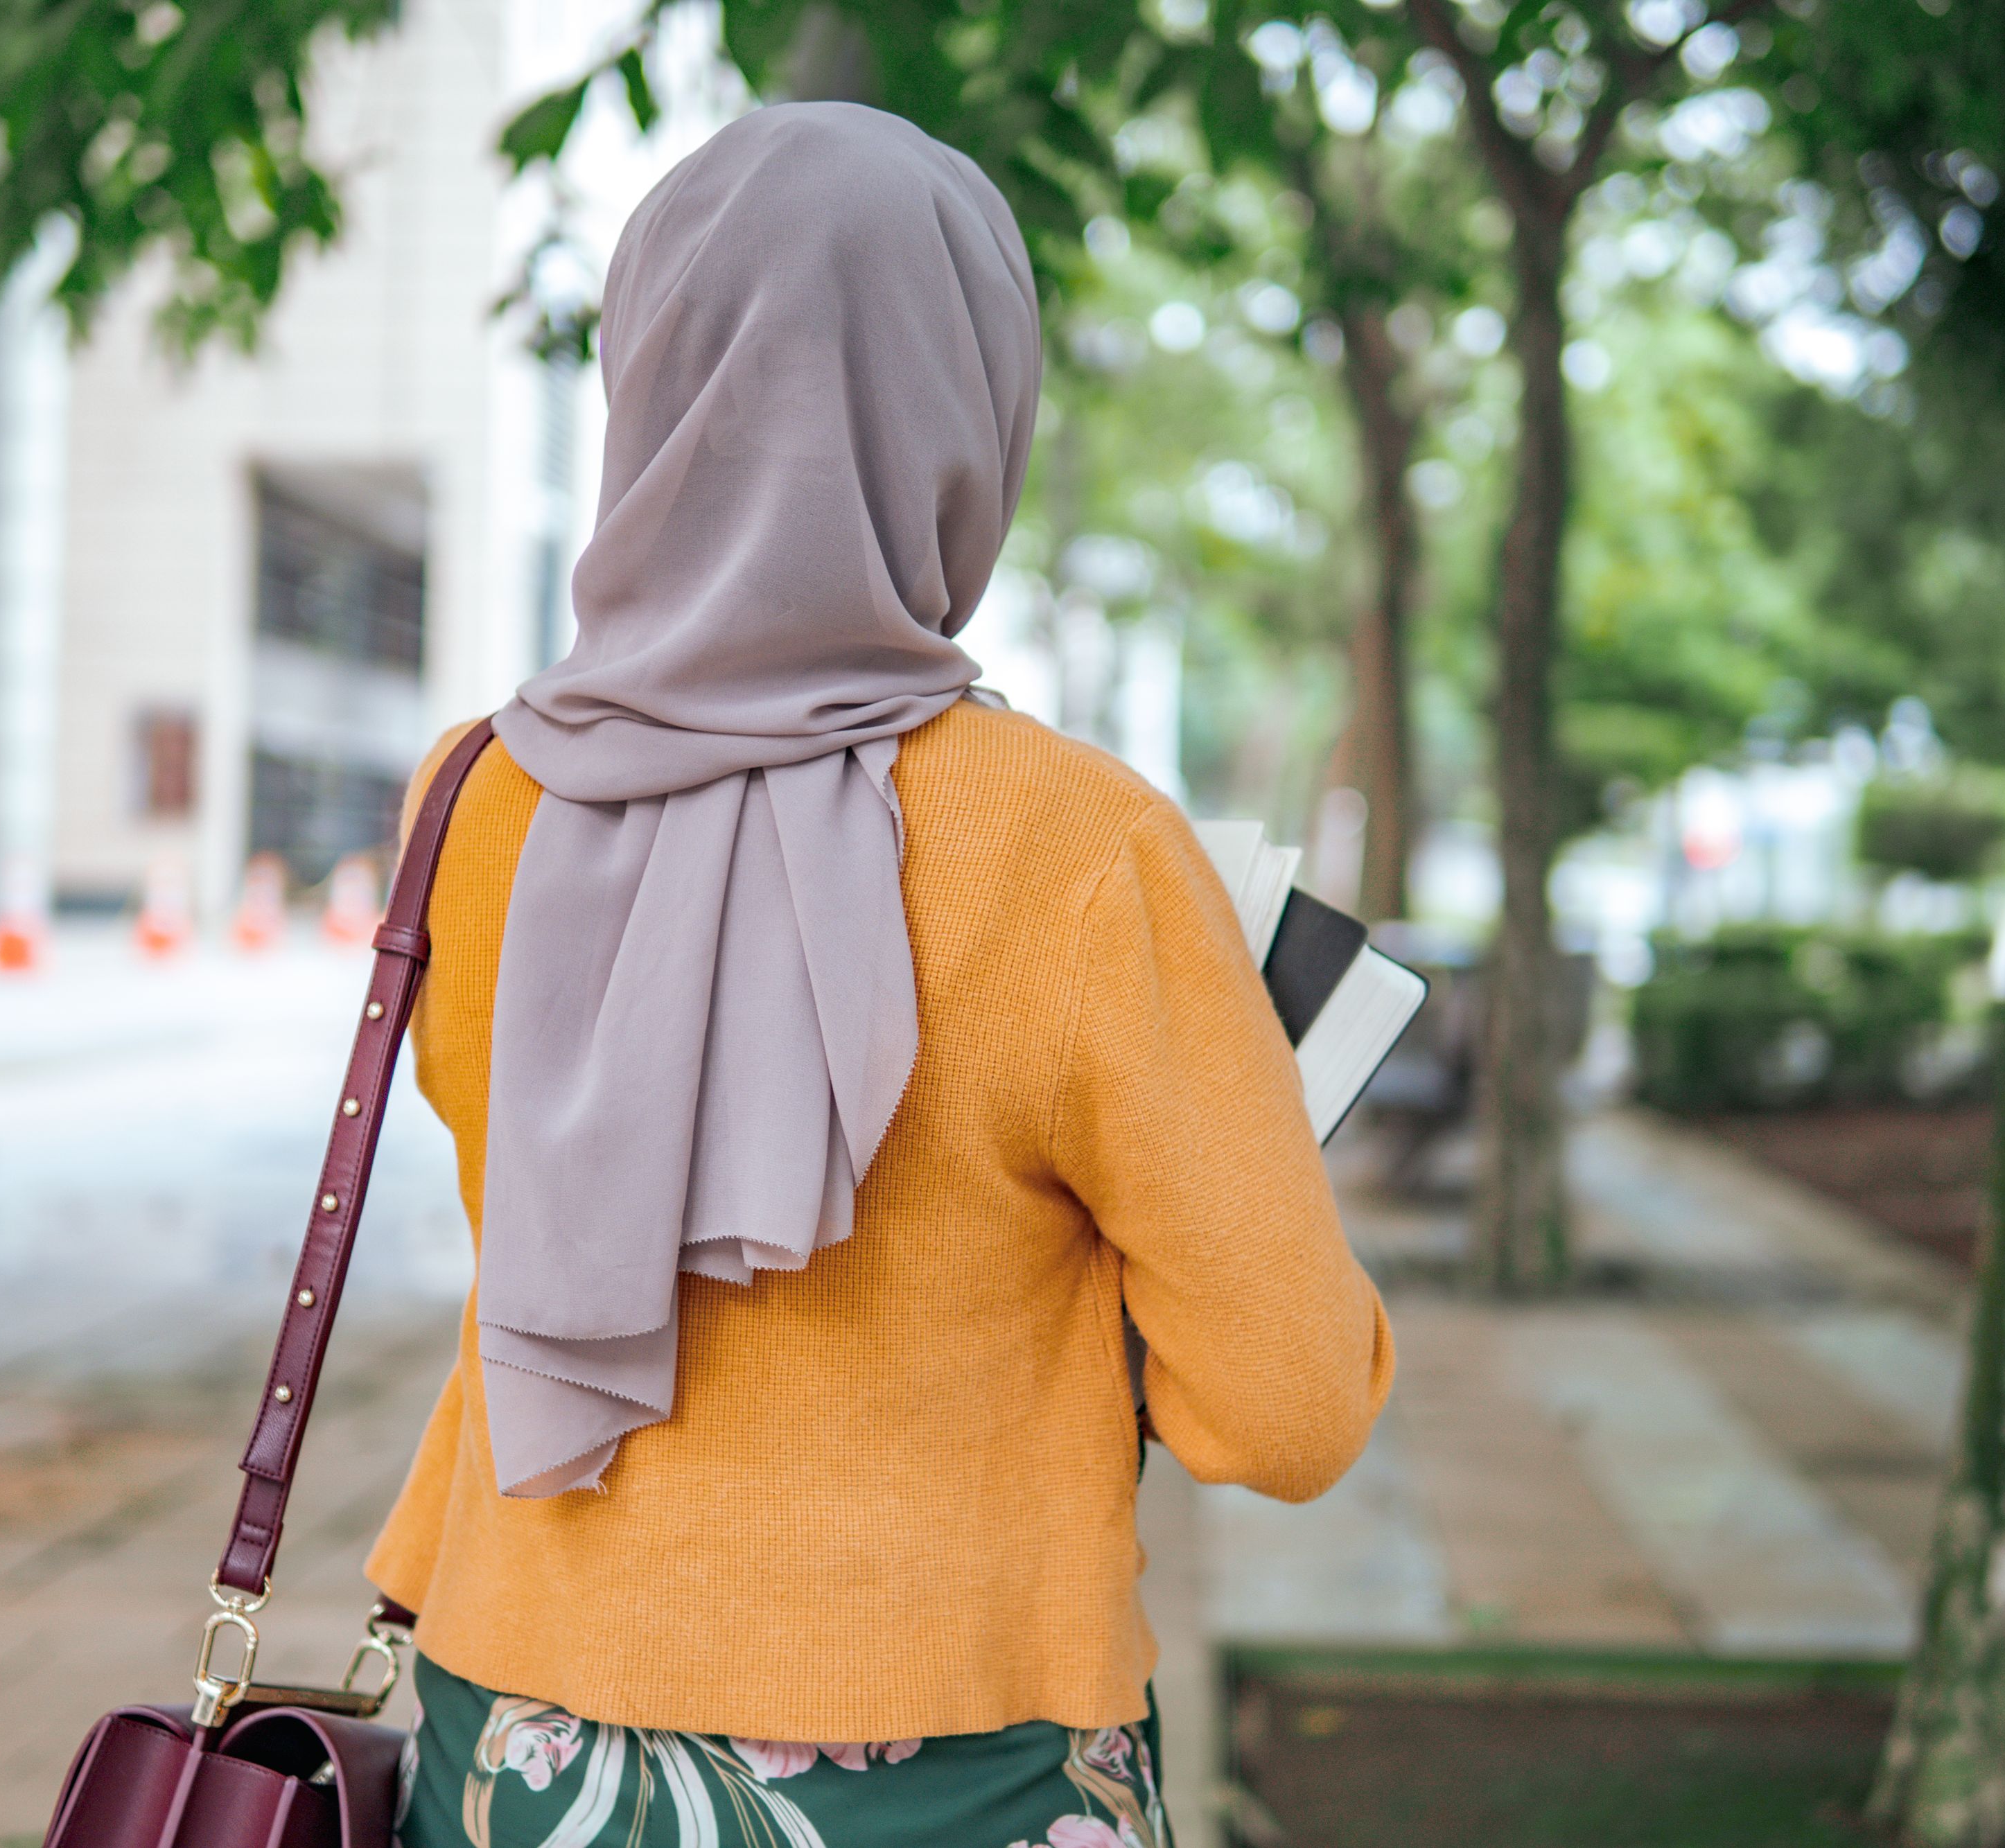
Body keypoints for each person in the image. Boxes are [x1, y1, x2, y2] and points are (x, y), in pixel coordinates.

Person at [369, 100, 1392, 1848]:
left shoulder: (469, 797)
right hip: (951, 1762)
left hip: (516, 1742)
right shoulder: (1082, 850)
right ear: (966, 409)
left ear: (649, 376)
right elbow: (1281, 1410)